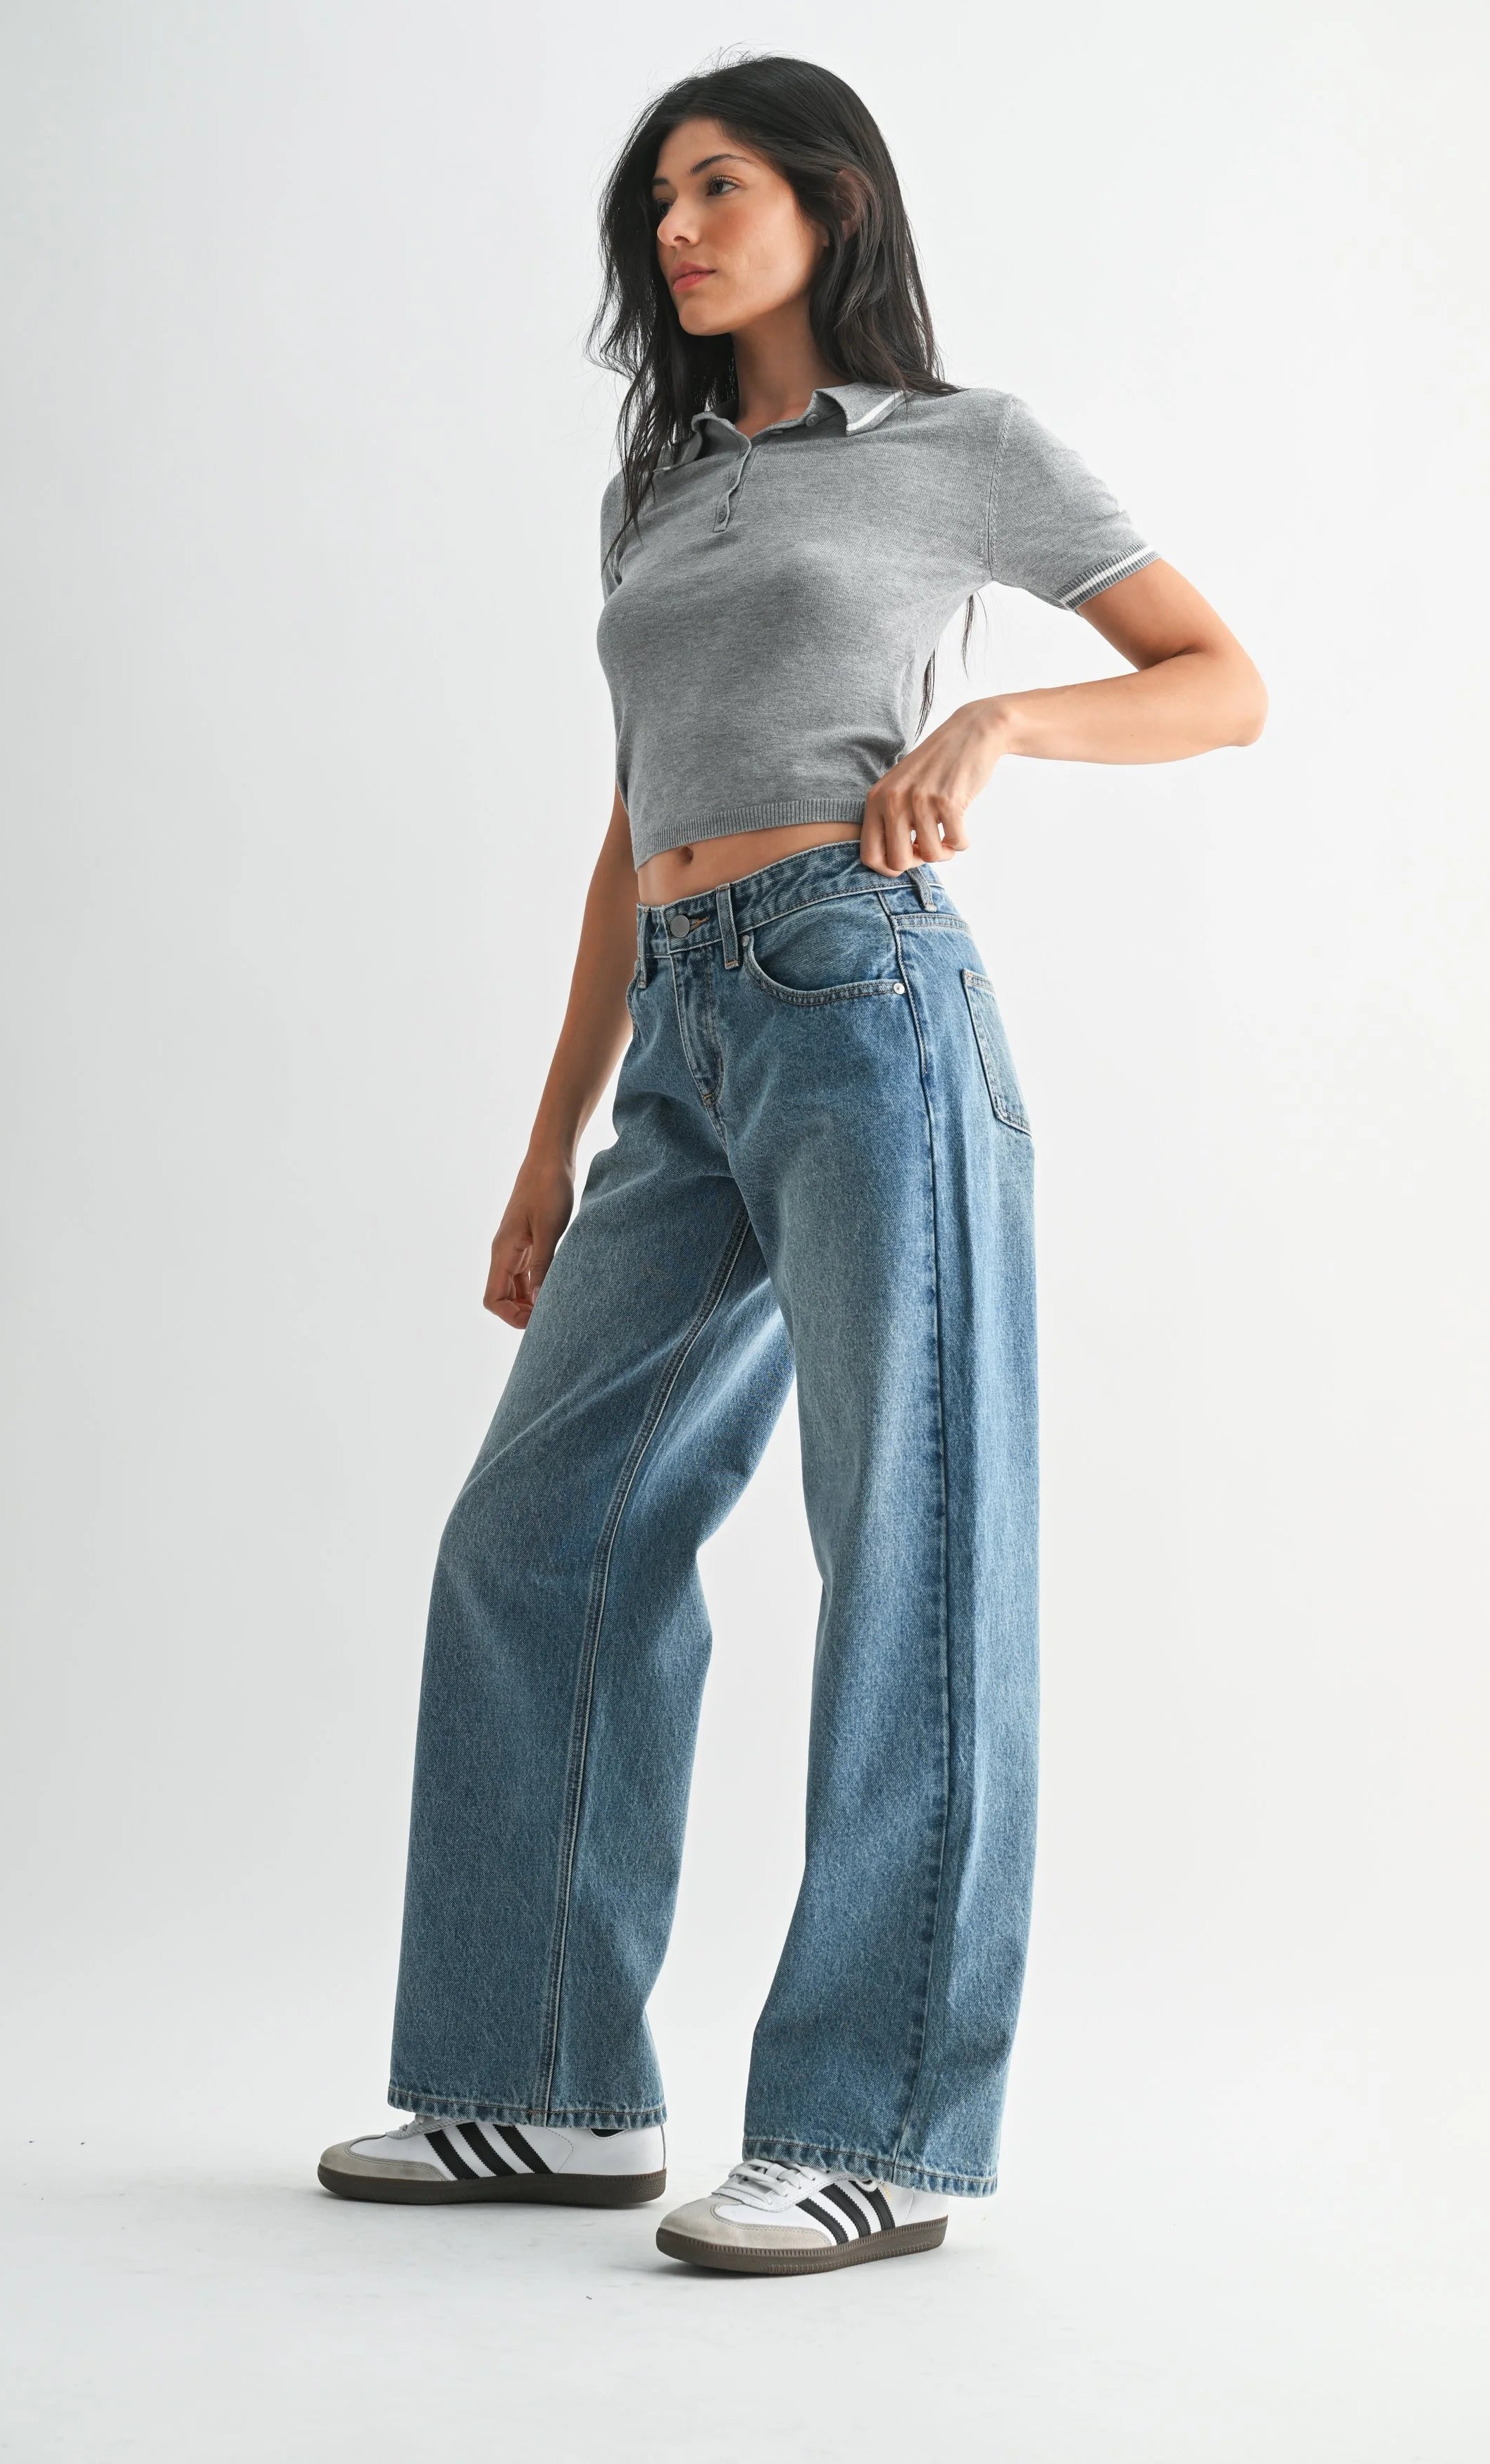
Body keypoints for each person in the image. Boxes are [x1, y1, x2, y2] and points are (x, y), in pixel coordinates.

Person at [318, 53, 1265, 2277]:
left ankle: (886, 2125)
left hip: (867, 1005)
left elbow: (1221, 678)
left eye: (718, 183)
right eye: (656, 197)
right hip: (690, 1043)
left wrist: (1006, 717)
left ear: (829, 201)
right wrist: (552, 1127)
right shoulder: (660, 497)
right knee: (537, 1527)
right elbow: (628, 824)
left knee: (909, 1539)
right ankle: (543, 2089)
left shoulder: (965, 451)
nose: (676, 225)